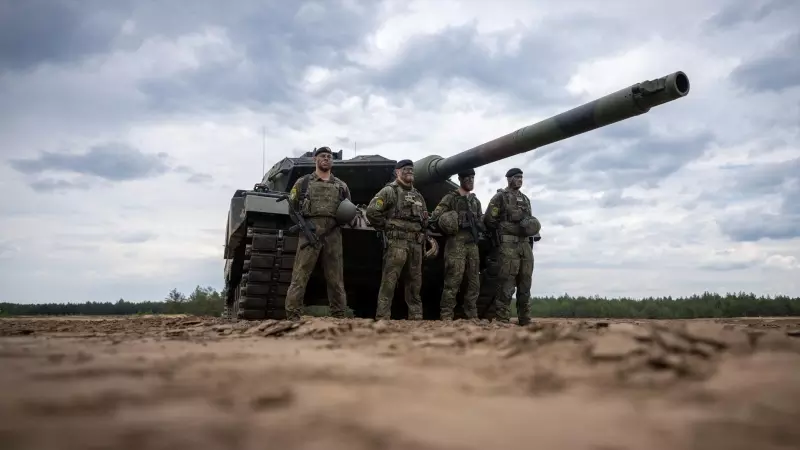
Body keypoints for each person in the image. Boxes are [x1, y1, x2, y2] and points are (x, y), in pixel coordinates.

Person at [284, 146, 351, 320]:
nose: (326, 158)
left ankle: (338, 316)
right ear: (315, 159)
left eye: (329, 156)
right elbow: (292, 207)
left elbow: (347, 209)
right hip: (309, 233)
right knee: (300, 276)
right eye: (323, 156)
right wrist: (304, 225)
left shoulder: (341, 186)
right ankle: (292, 315)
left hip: (333, 233)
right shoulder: (303, 182)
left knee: (336, 278)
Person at [365, 159, 429, 320]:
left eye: (411, 170)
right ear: (397, 172)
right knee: (390, 281)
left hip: (415, 244)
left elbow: (424, 220)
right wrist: (387, 226)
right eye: (405, 169)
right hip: (396, 243)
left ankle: (416, 318)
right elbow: (372, 211)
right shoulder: (389, 191)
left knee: (415, 283)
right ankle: (383, 317)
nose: (409, 172)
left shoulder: (418, 196)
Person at [483, 167, 541, 326]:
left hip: (524, 245)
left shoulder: (525, 199)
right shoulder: (500, 198)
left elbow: (529, 220)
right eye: (517, 177)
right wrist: (504, 230)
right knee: (506, 283)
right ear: (508, 179)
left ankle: (525, 319)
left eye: (521, 177)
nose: (520, 180)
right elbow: (489, 219)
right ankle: (502, 319)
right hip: (507, 245)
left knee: (525, 282)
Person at [429, 168, 484, 321]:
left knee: (474, 281)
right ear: (460, 180)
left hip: (472, 244)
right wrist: (453, 221)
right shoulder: (450, 198)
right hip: (456, 242)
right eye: (468, 178)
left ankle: (471, 314)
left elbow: (480, 220)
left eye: (473, 178)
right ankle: (446, 314)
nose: (471, 181)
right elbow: (435, 217)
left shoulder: (475, 201)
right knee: (453, 280)